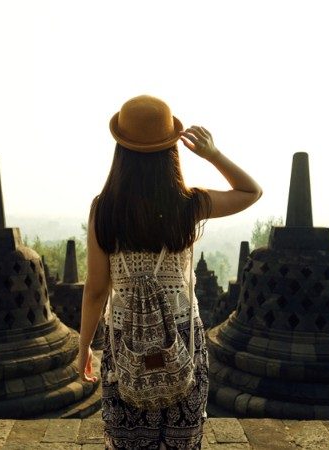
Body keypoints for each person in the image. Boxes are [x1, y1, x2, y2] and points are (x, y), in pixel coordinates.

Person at [77, 95, 262, 449]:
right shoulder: (189, 203)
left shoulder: (104, 210)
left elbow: (96, 289)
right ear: (170, 149)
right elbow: (250, 191)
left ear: (121, 151)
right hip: (182, 338)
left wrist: (85, 345)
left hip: (124, 338)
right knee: (181, 440)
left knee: (127, 440)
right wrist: (213, 155)